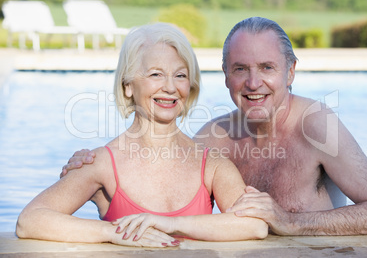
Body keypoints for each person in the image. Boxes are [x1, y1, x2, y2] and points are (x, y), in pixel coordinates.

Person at [62, 17, 367, 236]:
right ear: (225, 76)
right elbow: (158, 192)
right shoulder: (214, 138)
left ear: (290, 71)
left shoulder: (317, 125)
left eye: (267, 67)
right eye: (240, 69)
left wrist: (292, 222)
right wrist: (97, 182)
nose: (254, 83)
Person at [16, 22, 268, 247]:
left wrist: (170, 224)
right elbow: (29, 221)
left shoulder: (212, 165)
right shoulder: (101, 163)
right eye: (155, 74)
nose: (170, 87)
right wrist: (112, 232)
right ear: (128, 85)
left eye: (180, 75)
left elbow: (254, 226)